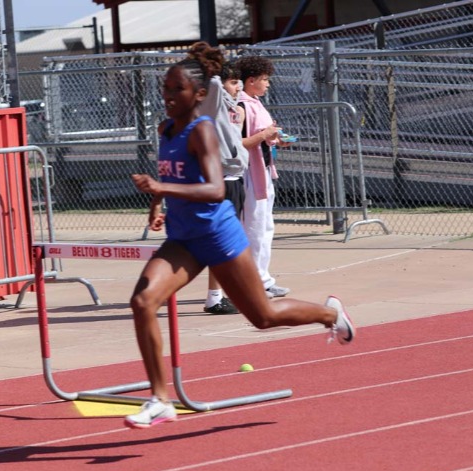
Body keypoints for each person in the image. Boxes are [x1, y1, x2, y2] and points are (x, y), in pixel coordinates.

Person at [125, 49, 355, 429]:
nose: (168, 95)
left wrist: (161, 188)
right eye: (165, 87)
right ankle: (160, 400)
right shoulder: (166, 130)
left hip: (217, 236)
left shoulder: (202, 131)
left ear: (199, 94)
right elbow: (171, 173)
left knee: (263, 316)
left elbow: (215, 190)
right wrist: (156, 202)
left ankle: (331, 314)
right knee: (143, 301)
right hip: (183, 239)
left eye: (177, 88)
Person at [195, 43, 248, 315]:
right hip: (222, 180)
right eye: (233, 82)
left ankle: (223, 292)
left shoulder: (233, 106)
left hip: (234, 178)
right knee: (220, 241)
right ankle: (215, 297)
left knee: (229, 240)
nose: (238, 87)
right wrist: (215, 63)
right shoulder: (213, 101)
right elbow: (215, 83)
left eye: (239, 82)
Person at [236, 56, 288, 299]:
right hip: (249, 173)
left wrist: (276, 139)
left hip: (264, 170)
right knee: (253, 228)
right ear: (251, 80)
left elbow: (263, 136)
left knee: (265, 226)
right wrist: (265, 134)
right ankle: (251, 283)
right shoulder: (240, 106)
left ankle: (263, 279)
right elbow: (238, 143)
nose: (268, 84)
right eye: (264, 79)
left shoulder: (255, 102)